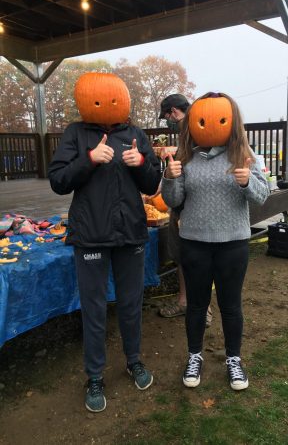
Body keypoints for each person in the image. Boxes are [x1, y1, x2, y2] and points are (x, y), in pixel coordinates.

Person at [48, 72, 161, 413]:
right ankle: (94, 375)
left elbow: (153, 180)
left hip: (130, 234)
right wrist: (88, 160)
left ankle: (134, 360)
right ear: (86, 101)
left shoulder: (135, 135)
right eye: (99, 98)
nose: (107, 103)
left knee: (130, 303)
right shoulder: (76, 134)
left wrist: (141, 162)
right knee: (94, 308)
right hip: (91, 235)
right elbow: (58, 180)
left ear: (123, 101)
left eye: (114, 98)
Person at [161, 92, 269, 390]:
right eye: (202, 120)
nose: (210, 124)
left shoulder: (244, 156)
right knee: (196, 305)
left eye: (220, 119)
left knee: (231, 305)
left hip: (232, 244)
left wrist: (247, 181)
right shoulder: (186, 157)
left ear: (231, 122)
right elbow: (173, 200)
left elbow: (261, 197)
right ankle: (194, 356)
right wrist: (169, 177)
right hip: (194, 244)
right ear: (194, 123)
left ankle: (234, 359)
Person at [157, 94, 213, 327]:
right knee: (181, 255)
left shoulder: (200, 124)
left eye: (167, 117)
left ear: (173, 112)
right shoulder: (184, 132)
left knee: (200, 257)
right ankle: (184, 301)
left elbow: (199, 157)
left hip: (196, 202)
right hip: (179, 202)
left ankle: (204, 307)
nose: (168, 121)